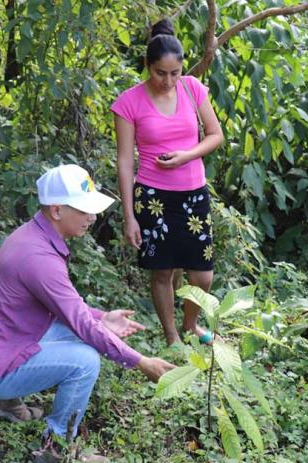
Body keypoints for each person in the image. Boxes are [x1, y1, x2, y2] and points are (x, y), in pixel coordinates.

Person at [0, 164, 176, 463]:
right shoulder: (38, 257)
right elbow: (78, 321)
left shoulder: (31, 236)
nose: (92, 218)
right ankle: (56, 449)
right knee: (85, 361)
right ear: (56, 210)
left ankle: (5, 402)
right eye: (84, 210)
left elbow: (68, 310)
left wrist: (102, 318)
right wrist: (141, 362)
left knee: (81, 335)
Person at [112, 19, 224, 346]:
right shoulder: (129, 102)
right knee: (162, 270)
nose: (168, 81)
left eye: (175, 73)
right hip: (153, 196)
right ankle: (172, 336)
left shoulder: (192, 88)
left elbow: (215, 135)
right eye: (161, 73)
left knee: (202, 274)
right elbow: (125, 161)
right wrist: (129, 216)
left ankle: (190, 324)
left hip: (193, 193)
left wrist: (187, 155)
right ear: (148, 66)